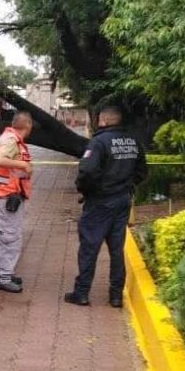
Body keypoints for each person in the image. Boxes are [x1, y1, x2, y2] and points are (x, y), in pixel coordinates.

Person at [65, 106, 147, 307]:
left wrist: (86, 190)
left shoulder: (99, 142)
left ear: (103, 120)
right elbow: (142, 171)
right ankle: (116, 295)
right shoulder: (133, 140)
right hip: (123, 201)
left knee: (89, 247)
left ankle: (82, 292)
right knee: (117, 249)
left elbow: (87, 172)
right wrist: (128, 186)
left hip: (100, 202)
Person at [0, 111, 34, 293]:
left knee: (9, 236)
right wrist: (24, 165)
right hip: (7, 196)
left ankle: (4, 272)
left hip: (10, 195)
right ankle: (2, 277)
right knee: (10, 238)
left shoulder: (12, 139)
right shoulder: (10, 140)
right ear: (28, 125)